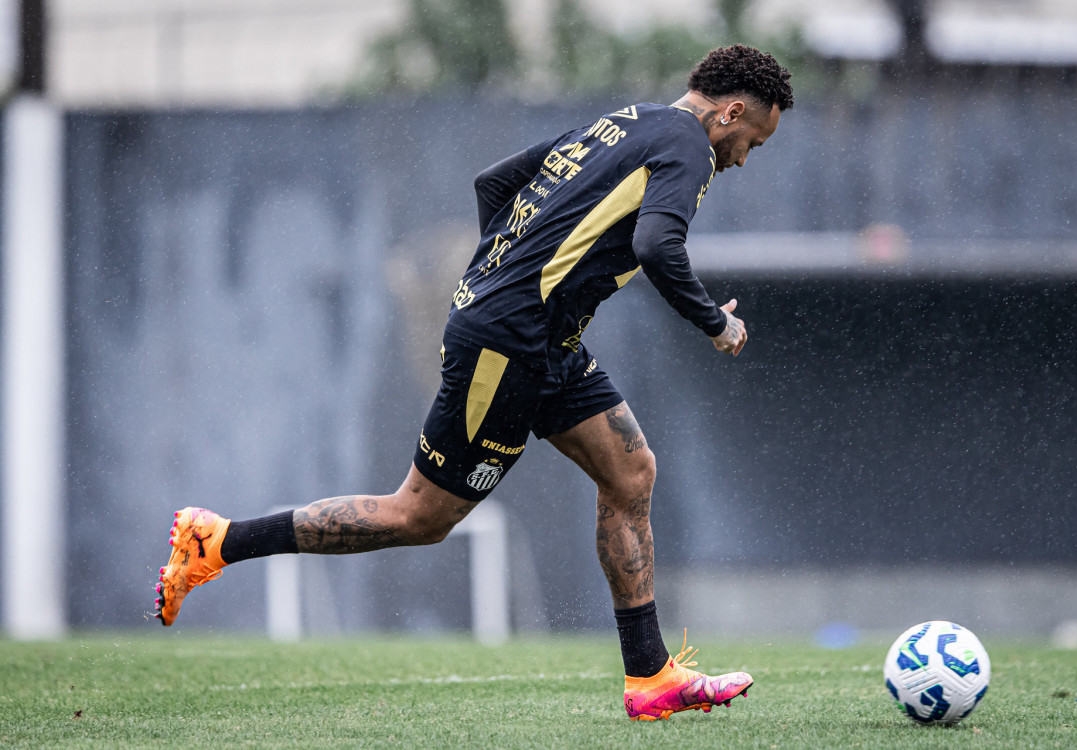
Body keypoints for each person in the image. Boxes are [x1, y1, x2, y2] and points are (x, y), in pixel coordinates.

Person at [154, 44, 794, 721]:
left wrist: (508, 274)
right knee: (420, 516)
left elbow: (495, 182)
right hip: (509, 344)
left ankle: (650, 677)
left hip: (545, 339)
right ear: (729, 112)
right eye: (752, 140)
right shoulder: (689, 148)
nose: (744, 157)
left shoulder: (626, 121)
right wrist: (713, 324)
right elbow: (656, 246)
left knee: (632, 472)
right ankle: (218, 540)